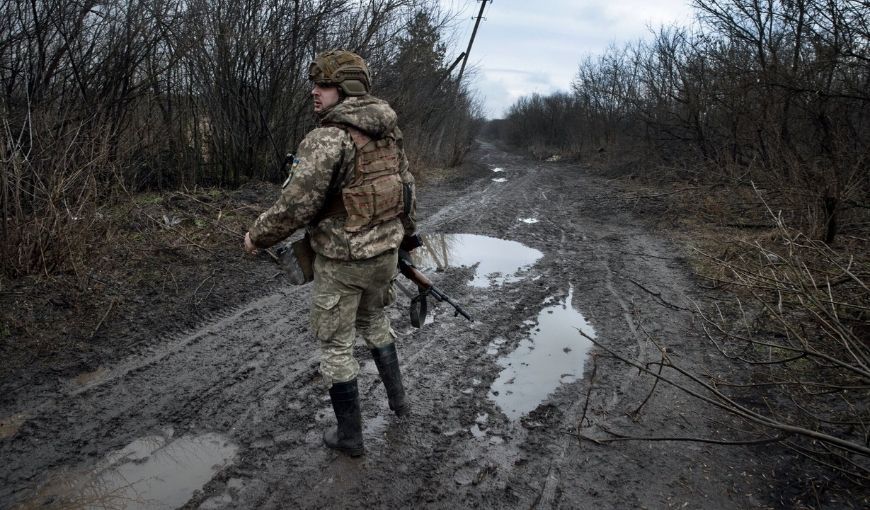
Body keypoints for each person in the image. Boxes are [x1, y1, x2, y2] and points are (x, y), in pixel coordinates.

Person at [243, 50, 416, 457]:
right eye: (315, 84)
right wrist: (406, 236)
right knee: (375, 320)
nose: (314, 93)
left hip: (344, 260)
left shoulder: (329, 136)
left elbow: (295, 206)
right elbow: (407, 187)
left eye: (322, 85)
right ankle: (399, 403)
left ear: (346, 89)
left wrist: (256, 237)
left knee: (335, 345)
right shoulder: (389, 130)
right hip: (384, 254)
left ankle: (350, 438)